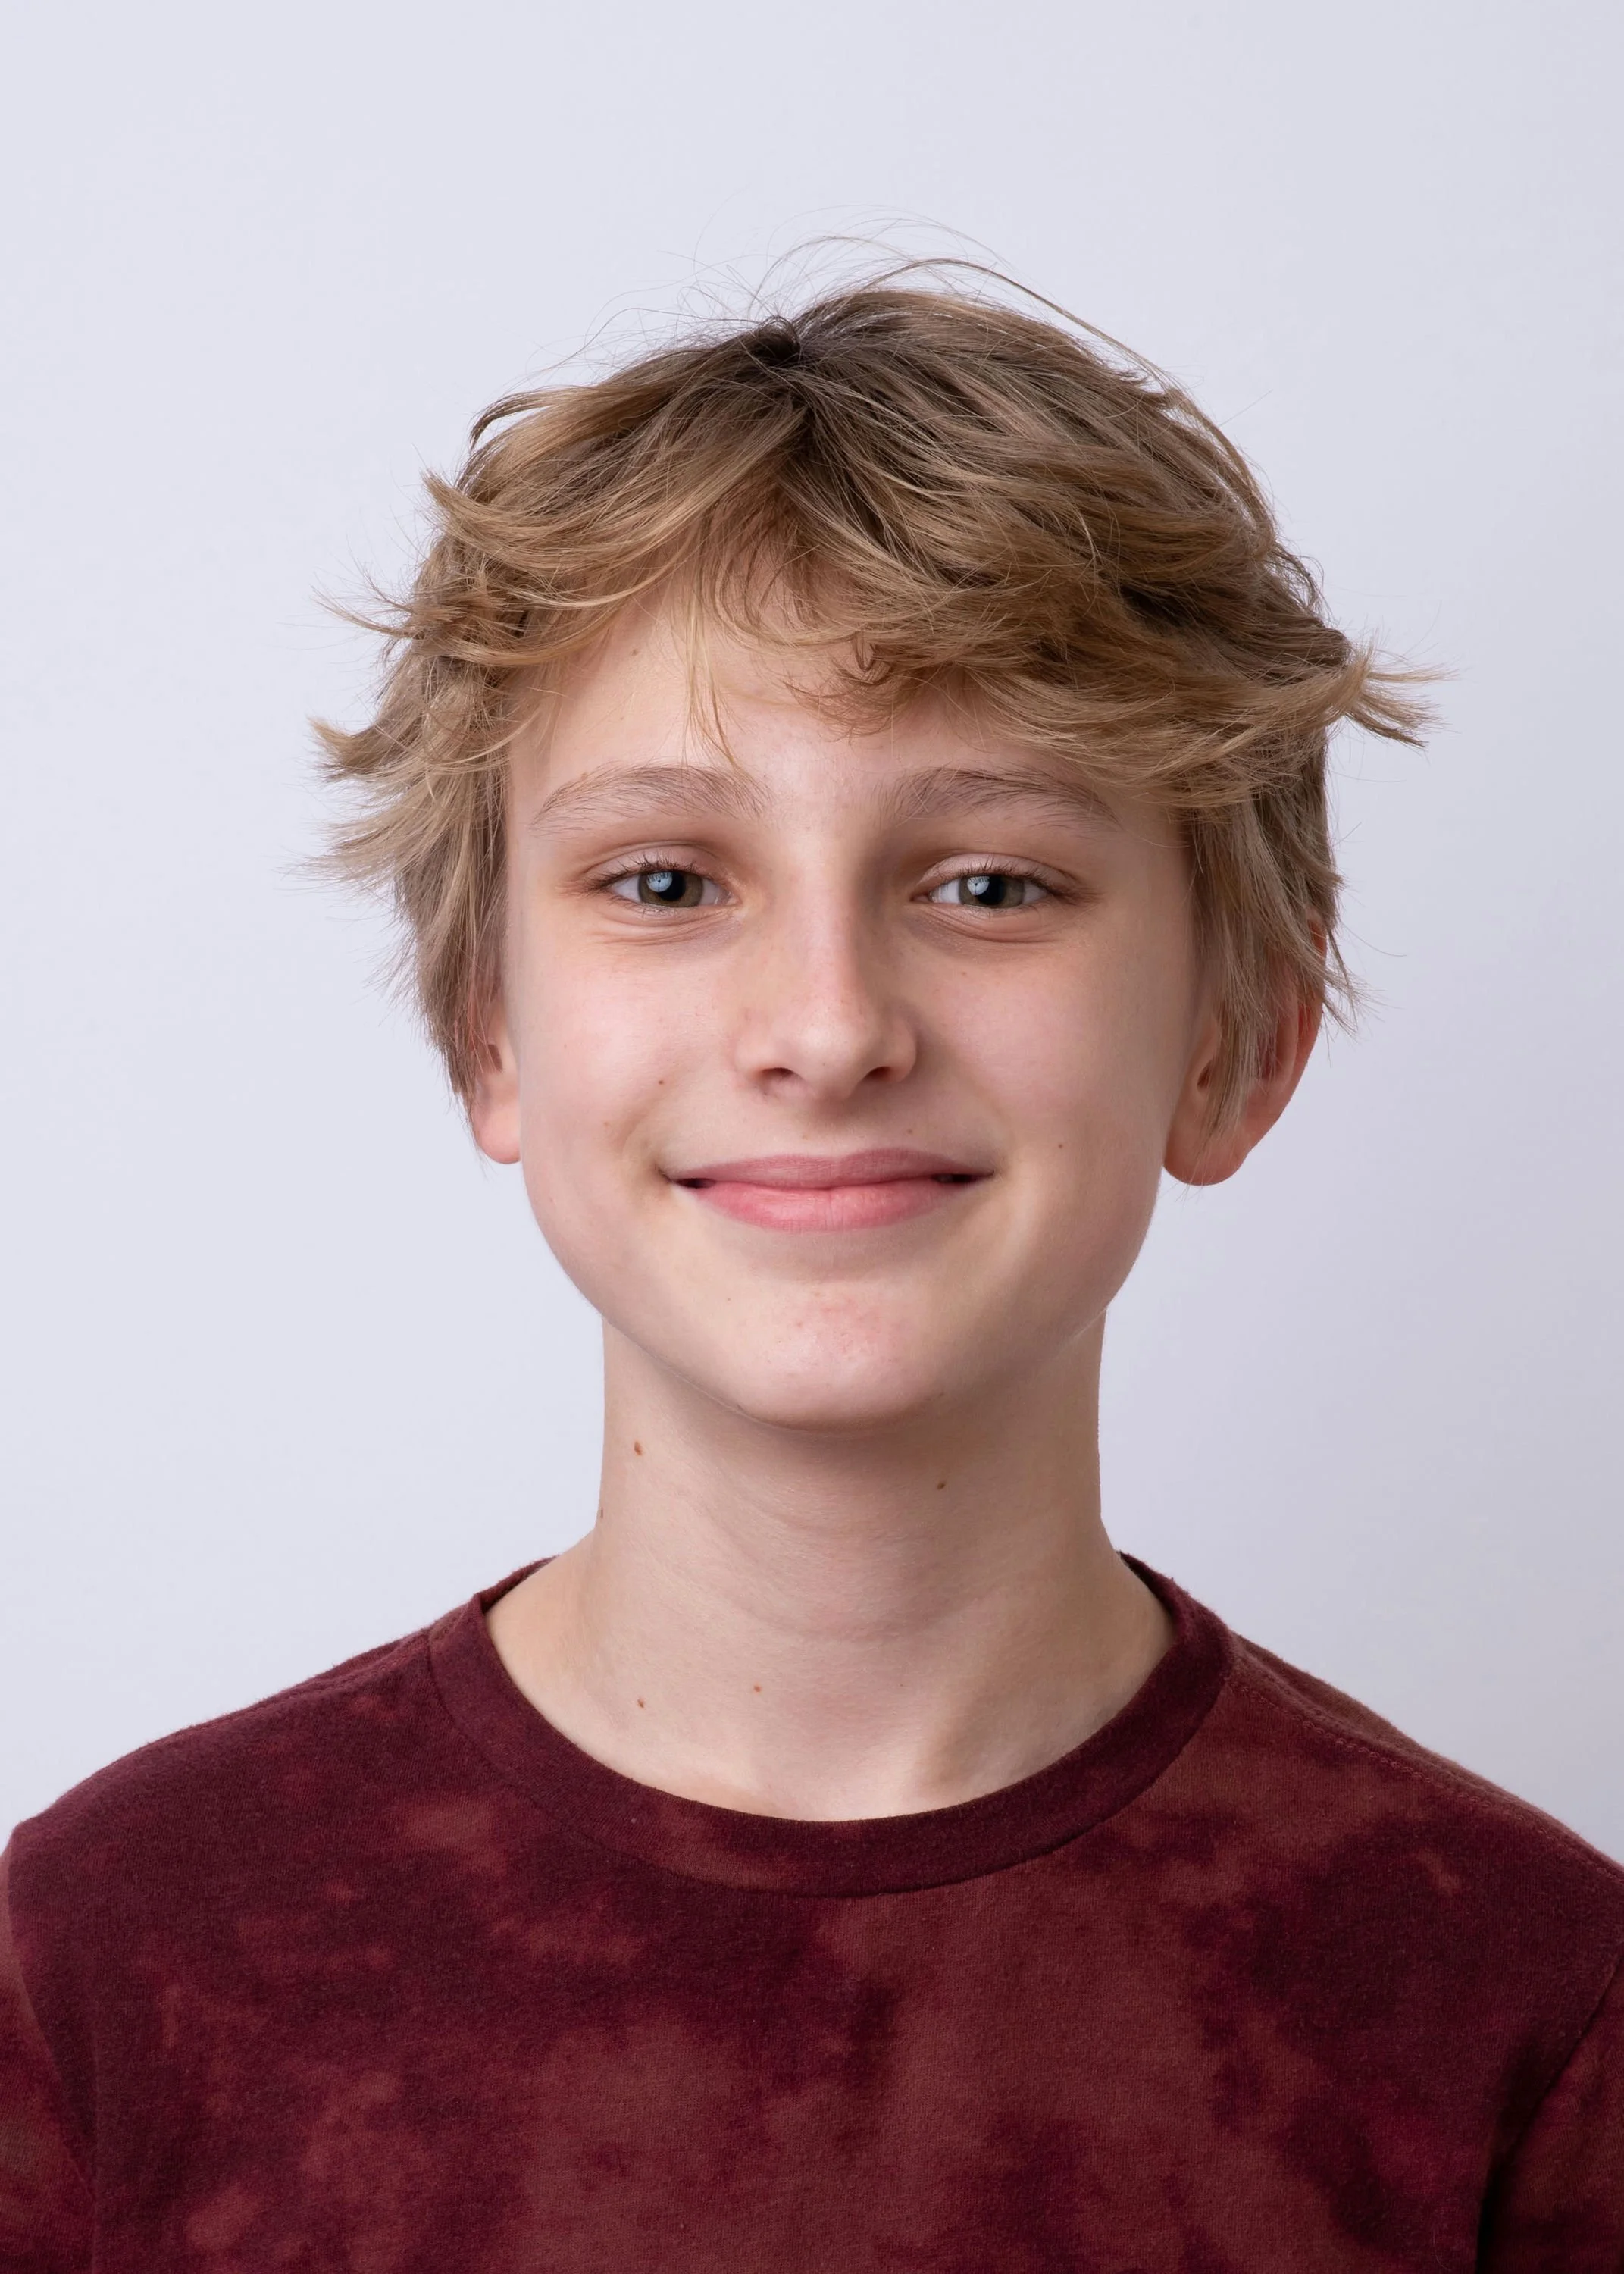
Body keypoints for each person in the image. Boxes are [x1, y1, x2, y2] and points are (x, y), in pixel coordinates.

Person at [2, 277, 1619, 2273]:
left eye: (988, 884)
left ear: (1234, 1042)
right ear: (485, 1028)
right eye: (666, 883)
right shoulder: (106, 1960)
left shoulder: (1532, 2017)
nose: (828, 1026)